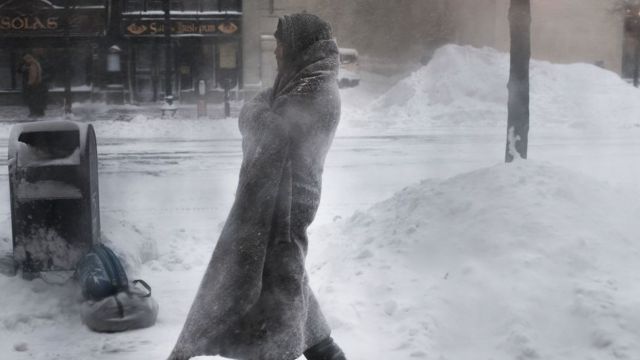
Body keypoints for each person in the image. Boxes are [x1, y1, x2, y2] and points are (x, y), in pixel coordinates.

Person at [168, 13, 346, 360]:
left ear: (299, 45)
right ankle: (326, 352)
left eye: (281, 44)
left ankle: (279, 351)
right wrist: (260, 109)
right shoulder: (302, 80)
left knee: (282, 283)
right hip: (279, 197)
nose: (276, 52)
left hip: (289, 203)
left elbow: (274, 131)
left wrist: (251, 113)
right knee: (286, 276)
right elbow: (272, 114)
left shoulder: (316, 89)